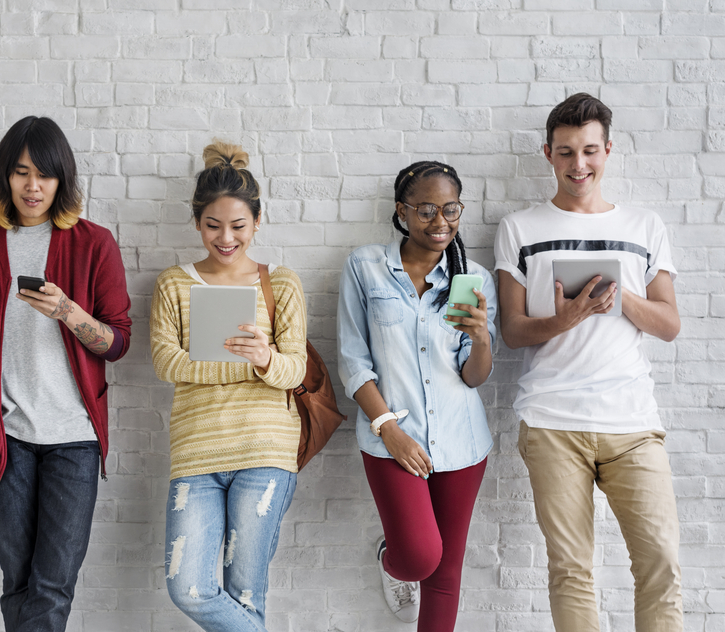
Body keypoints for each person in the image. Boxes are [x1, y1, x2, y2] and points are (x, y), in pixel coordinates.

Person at [493, 93, 682, 632]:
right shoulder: (520, 228)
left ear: (608, 150)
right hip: (553, 421)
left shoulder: (644, 227)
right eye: (566, 152)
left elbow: (669, 325)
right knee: (571, 570)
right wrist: (568, 316)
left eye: (590, 151)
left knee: (661, 563)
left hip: (633, 423)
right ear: (548, 154)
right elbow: (512, 331)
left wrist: (621, 295)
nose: (580, 165)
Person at [0, 115, 131, 632]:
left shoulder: (94, 244)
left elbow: (117, 342)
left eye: (44, 174)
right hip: (7, 435)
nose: (33, 186)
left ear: (61, 179)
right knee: (18, 580)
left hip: (74, 439)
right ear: (6, 176)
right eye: (21, 172)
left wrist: (68, 311)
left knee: (52, 586)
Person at [149, 141, 307, 632]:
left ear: (256, 223)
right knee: (190, 588)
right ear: (197, 223)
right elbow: (164, 362)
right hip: (196, 453)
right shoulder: (175, 283)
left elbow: (295, 370)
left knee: (245, 592)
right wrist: (246, 367)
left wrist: (265, 359)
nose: (225, 238)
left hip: (265, 450)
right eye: (214, 226)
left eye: (238, 226)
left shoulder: (279, 283)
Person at [337, 161, 496, 631]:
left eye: (451, 209)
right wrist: (390, 432)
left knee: (445, 574)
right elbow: (353, 361)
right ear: (401, 212)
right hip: (392, 437)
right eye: (427, 209)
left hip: (462, 440)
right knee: (420, 558)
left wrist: (483, 338)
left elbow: (475, 377)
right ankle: (392, 560)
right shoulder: (365, 267)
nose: (440, 222)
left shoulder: (473, 279)